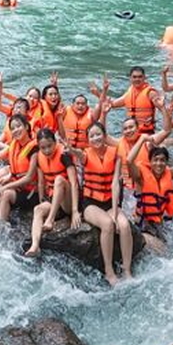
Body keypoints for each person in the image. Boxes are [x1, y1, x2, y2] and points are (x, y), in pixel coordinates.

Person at [69, 121, 133, 285]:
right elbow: (75, 152)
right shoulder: (85, 155)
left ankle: (126, 269)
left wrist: (116, 212)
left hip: (109, 202)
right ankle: (109, 271)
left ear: (104, 136)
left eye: (98, 134)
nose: (96, 138)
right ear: (88, 140)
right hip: (91, 203)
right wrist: (68, 147)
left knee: (124, 225)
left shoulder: (115, 153)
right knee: (107, 224)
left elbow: (115, 184)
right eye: (92, 136)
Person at [125, 138, 173, 242]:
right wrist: (142, 139)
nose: (159, 163)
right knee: (163, 251)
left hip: (159, 222)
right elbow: (129, 161)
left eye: (162, 160)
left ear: (166, 162)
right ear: (150, 162)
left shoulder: (169, 173)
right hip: (143, 223)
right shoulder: (140, 177)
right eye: (156, 159)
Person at [25, 128, 81, 257]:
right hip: (54, 200)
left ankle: (50, 220)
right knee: (38, 209)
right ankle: (35, 246)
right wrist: (41, 201)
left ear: (55, 142)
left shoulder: (64, 155)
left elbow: (73, 183)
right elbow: (41, 182)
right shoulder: (39, 157)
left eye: (50, 146)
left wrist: (74, 211)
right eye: (43, 148)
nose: (47, 151)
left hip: (68, 200)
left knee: (59, 180)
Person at [107, 66, 161, 134]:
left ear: (144, 77)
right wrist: (100, 94)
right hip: (130, 132)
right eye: (134, 77)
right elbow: (112, 104)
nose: (137, 79)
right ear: (130, 78)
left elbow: (163, 111)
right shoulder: (129, 93)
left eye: (140, 77)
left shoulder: (151, 93)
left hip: (146, 133)